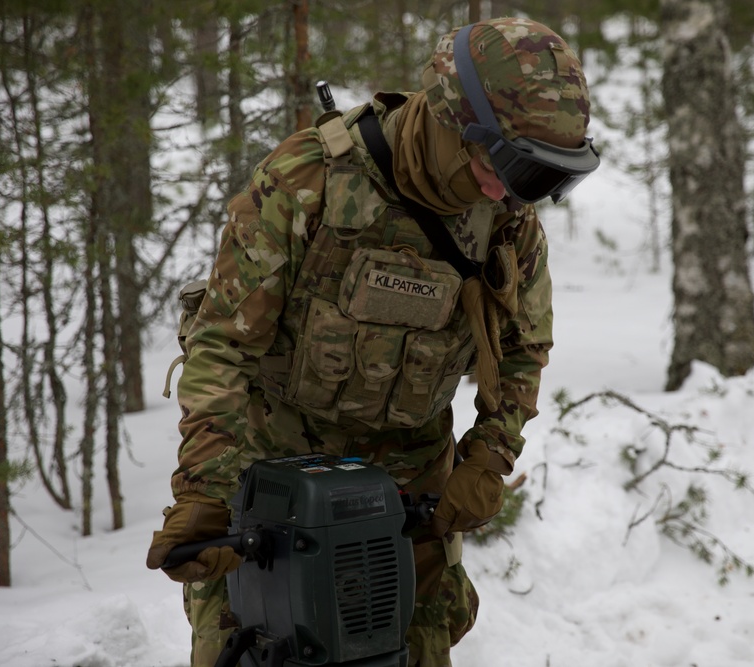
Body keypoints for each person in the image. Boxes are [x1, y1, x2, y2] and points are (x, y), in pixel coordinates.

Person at [146, 15, 599, 667]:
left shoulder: (506, 222)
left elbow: (525, 347)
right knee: (253, 645)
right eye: (506, 166)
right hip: (274, 469)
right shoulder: (311, 181)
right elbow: (222, 347)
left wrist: (489, 455)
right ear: (450, 121)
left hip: (407, 489)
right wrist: (207, 489)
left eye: (538, 179)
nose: (511, 193)